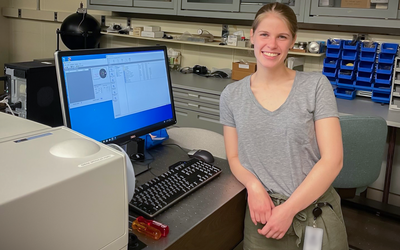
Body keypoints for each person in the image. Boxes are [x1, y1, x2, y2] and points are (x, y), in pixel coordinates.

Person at [219, 2, 348, 250]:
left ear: (293, 41)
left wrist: (288, 209)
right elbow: (234, 157)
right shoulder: (231, 95)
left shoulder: (316, 86)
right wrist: (254, 187)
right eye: (264, 34)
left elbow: (333, 160)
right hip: (263, 214)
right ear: (252, 36)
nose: (272, 44)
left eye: (282, 37)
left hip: (314, 211)